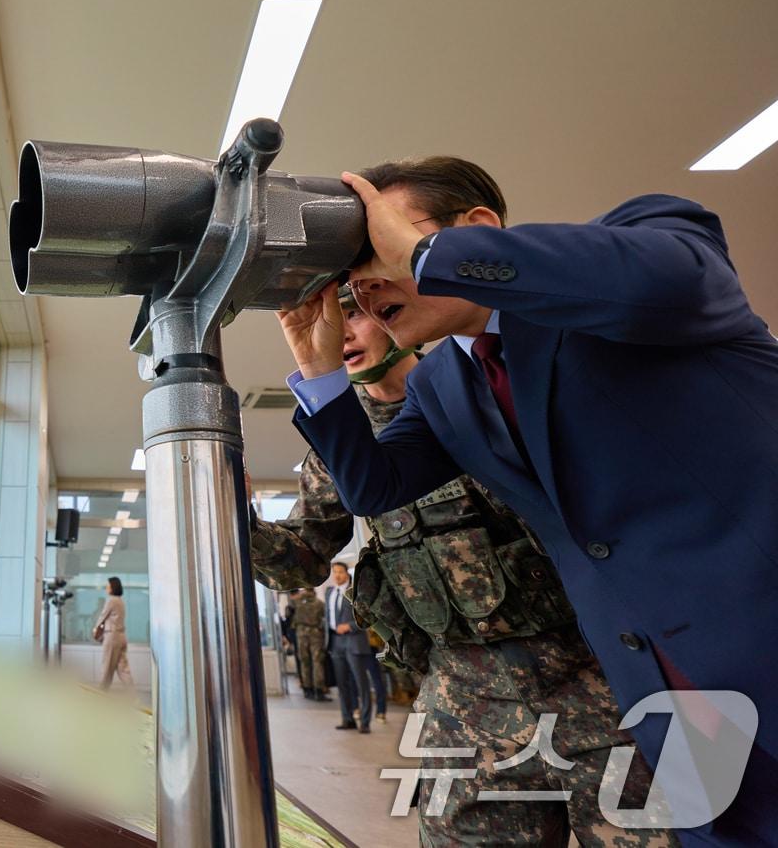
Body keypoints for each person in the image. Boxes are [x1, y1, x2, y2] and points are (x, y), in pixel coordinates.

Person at [278, 157, 778, 844]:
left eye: (378, 250)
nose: (363, 289)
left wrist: (429, 257)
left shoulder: (646, 245)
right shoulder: (443, 385)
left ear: (475, 229)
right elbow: (376, 486)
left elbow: (668, 280)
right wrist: (320, 371)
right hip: (672, 701)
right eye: (350, 281)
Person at [251, 284, 671, 845]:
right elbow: (298, 565)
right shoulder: (336, 452)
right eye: (331, 321)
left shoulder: (486, 392)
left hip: (596, 684)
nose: (344, 333)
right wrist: (239, 519)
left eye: (355, 315)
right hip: (464, 707)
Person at [323, 562, 375, 733]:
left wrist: (350, 626)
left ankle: (365, 722)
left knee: (361, 683)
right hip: (335, 642)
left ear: (347, 574)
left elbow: (367, 617)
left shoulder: (355, 592)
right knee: (342, 684)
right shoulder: (329, 592)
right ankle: (347, 719)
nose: (336, 575)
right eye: (334, 572)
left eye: (340, 572)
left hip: (353, 641)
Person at [288, 588, 329, 700]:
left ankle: (307, 690)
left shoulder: (296, 601)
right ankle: (319, 691)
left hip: (301, 634)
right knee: (317, 662)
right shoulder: (320, 603)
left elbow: (288, 613)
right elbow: (325, 618)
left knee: (304, 661)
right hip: (316, 634)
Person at [93, 576, 132, 690]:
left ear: (113, 587)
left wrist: (95, 631)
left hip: (112, 637)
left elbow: (102, 617)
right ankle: (133, 697)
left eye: (108, 585)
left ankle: (100, 696)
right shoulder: (120, 601)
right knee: (123, 669)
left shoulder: (111, 600)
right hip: (121, 637)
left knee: (106, 669)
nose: (106, 587)